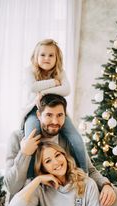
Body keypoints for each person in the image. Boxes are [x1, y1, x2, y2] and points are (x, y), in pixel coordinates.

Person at [2, 94, 117, 206]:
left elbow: (90, 170)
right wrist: (25, 153)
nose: (54, 121)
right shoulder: (18, 138)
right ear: (39, 115)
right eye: (49, 115)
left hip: (60, 197)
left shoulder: (70, 140)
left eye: (60, 115)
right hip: (30, 196)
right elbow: (11, 186)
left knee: (114, 194)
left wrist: (106, 185)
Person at [22, 38, 87, 175]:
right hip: (34, 111)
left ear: (56, 58)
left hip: (56, 112)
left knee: (76, 138)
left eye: (51, 55)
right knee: (31, 138)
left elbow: (66, 90)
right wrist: (54, 82)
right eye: (43, 55)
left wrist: (44, 91)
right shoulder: (29, 71)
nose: (47, 58)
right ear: (36, 57)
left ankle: (84, 173)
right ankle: (30, 177)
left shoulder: (60, 72)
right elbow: (33, 87)